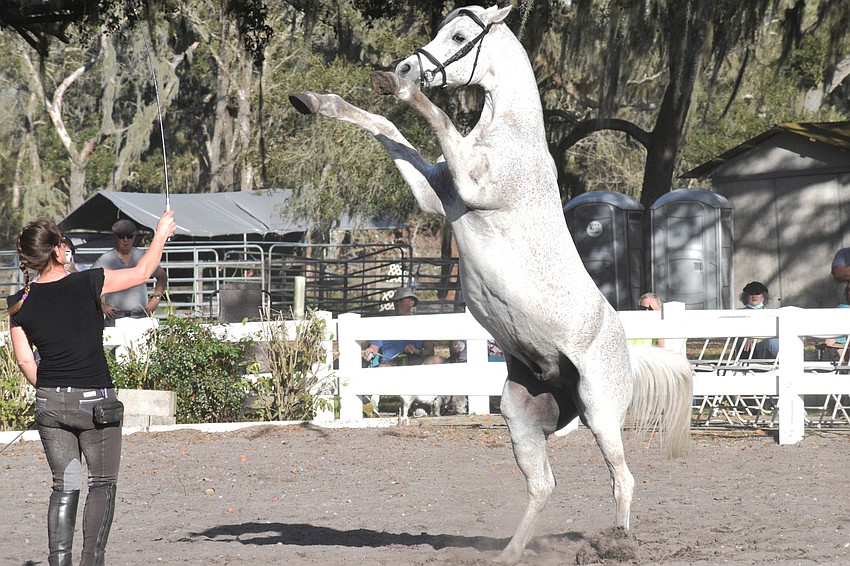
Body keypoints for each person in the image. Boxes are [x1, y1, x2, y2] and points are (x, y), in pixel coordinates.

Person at [7, 210, 176, 566]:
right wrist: (160, 233)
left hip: (50, 405)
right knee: (101, 484)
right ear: (56, 251)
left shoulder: (20, 305)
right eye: (63, 244)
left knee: (64, 486)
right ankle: (91, 560)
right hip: (96, 404)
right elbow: (144, 273)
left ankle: (60, 561)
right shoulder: (88, 281)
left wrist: (53, 390)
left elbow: (25, 362)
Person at [92, 219, 168, 325]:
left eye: (129, 236)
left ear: (134, 237)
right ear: (115, 237)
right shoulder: (105, 260)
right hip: (116, 318)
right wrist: (102, 306)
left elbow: (162, 276)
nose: (125, 240)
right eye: (121, 236)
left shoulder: (142, 257)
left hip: (141, 317)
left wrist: (156, 299)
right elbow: (89, 285)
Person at [362, 287, 439, 366]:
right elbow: (374, 347)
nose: (397, 303)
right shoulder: (384, 324)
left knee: (436, 360)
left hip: (417, 362)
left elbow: (429, 351)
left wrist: (417, 351)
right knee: (382, 368)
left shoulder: (422, 324)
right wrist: (370, 351)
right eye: (395, 301)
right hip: (391, 363)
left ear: (411, 303)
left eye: (401, 300)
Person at [739, 281, 778, 359]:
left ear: (763, 297)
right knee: (770, 342)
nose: (754, 296)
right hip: (748, 349)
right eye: (751, 293)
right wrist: (748, 336)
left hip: (768, 347)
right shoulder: (739, 313)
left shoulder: (770, 313)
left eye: (757, 293)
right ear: (746, 297)